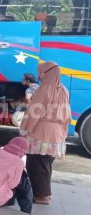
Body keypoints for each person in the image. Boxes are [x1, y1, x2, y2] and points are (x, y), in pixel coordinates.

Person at [20, 62, 70, 205]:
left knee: (35, 164)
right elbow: (67, 113)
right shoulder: (64, 90)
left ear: (46, 73)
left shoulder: (44, 89)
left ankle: (41, 196)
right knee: (46, 164)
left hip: (40, 134)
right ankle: (45, 194)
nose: (39, 76)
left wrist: (24, 129)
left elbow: (34, 113)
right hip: (57, 134)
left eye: (41, 72)